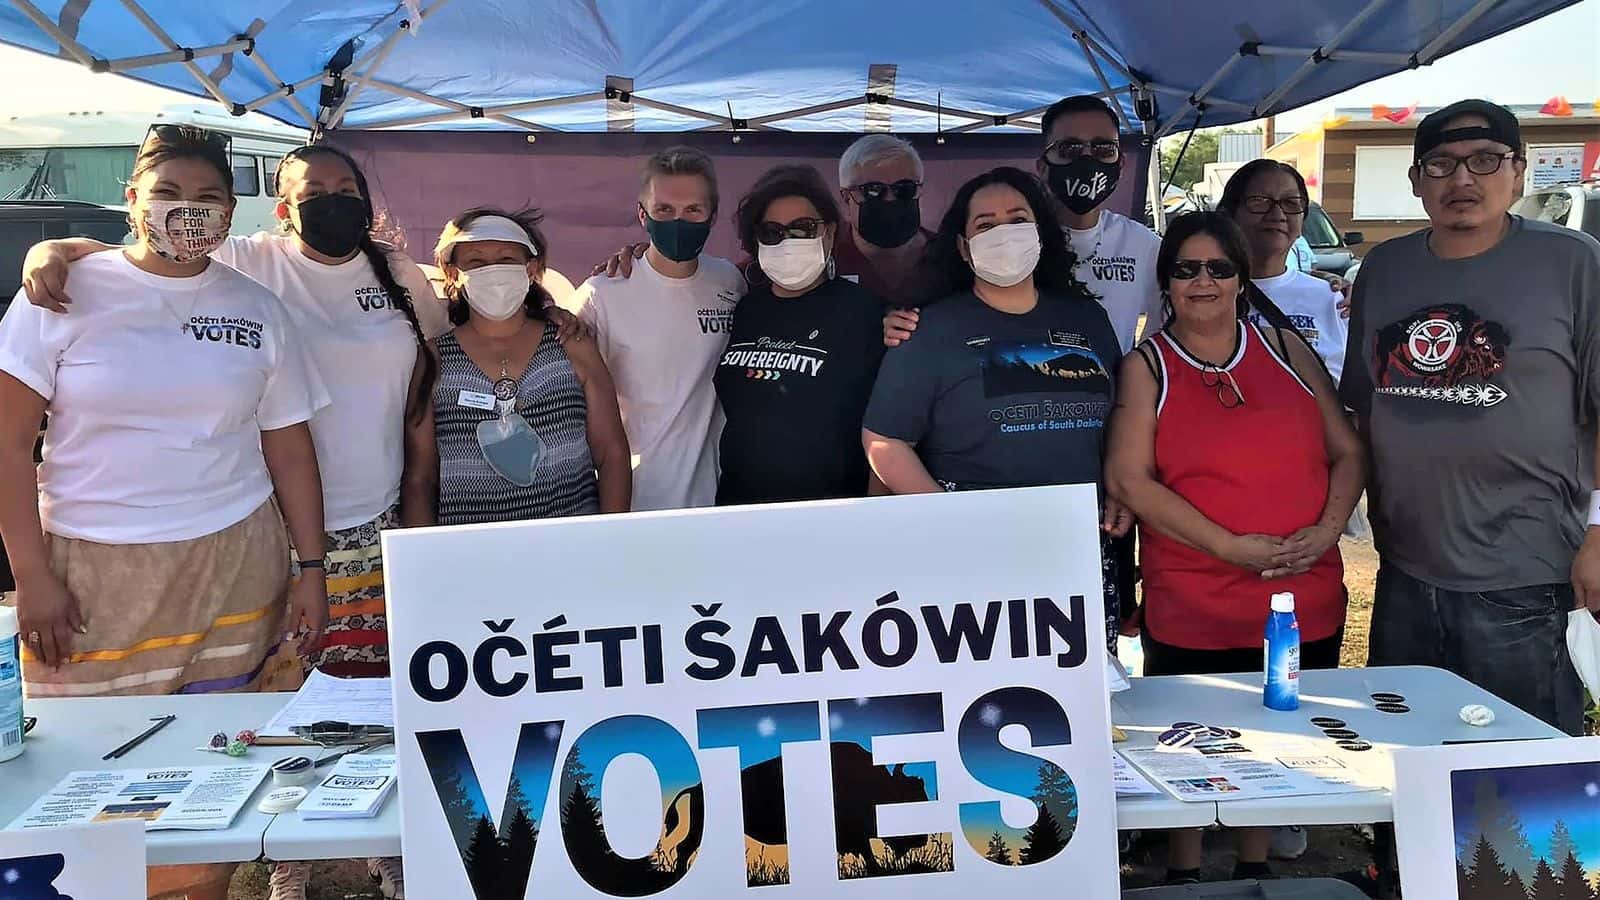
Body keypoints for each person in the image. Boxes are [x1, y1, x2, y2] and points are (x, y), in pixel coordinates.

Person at [0, 125, 329, 900]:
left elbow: (289, 450)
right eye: (170, 196)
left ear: (233, 210)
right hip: (95, 573)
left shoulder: (257, 307)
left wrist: (310, 568)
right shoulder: (60, 294)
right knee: (83, 781)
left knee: (207, 775)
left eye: (210, 199)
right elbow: (11, 446)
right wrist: (32, 575)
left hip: (235, 565)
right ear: (132, 202)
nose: (190, 213)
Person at [1105, 211, 1364, 882]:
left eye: (1219, 268)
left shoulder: (1284, 346)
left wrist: (1329, 529)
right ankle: (1186, 868)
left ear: (1242, 278)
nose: (1203, 281)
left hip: (1301, 593)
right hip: (1195, 597)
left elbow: (1346, 450)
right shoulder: (1148, 367)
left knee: (1277, 737)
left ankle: (1256, 862)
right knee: (1191, 740)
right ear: (1167, 283)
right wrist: (1229, 546)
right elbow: (1131, 478)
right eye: (1186, 269)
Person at [1340, 99, 1600, 736]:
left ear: (1519, 171)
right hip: (1404, 565)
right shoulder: (1385, 267)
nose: (1463, 180)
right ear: (1415, 180)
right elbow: (1362, 404)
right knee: (1404, 758)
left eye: (1485, 161)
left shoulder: (1574, 263)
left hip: (1525, 572)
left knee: (1516, 770)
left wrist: (1599, 532)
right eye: (1442, 165)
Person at [863, 167, 1129, 652]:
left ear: (1041, 233)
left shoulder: (1087, 318)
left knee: (1083, 700)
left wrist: (1121, 485)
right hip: (971, 551)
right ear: (964, 247)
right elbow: (884, 440)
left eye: (1017, 218)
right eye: (985, 225)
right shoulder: (929, 328)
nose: (1003, 233)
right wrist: (951, 519)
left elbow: (1121, 415)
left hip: (1075, 544)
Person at [886, 94, 1163, 353]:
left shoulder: (1144, 245)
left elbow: (1170, 331)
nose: (1087, 160)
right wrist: (902, 323)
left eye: (1103, 148)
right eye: (1069, 148)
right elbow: (940, 307)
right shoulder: (1005, 239)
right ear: (1042, 166)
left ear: (1121, 163)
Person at [406, 209, 630, 524]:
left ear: (532, 268)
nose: (493, 271)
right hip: (471, 555)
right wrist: (424, 562)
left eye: (507, 259)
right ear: (452, 272)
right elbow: (420, 478)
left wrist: (612, 540)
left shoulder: (572, 343)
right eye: (476, 262)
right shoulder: (433, 359)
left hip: (570, 548)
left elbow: (612, 452)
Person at [568, 147, 743, 511]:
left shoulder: (730, 281)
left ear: (712, 216)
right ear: (642, 215)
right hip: (633, 499)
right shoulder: (603, 293)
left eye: (692, 210)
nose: (678, 221)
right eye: (664, 210)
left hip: (716, 500)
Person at [714, 164, 885, 504]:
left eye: (803, 228)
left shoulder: (863, 311)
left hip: (829, 515)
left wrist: (875, 514)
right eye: (772, 232)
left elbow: (888, 428)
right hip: (738, 510)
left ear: (830, 233)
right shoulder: (746, 308)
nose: (788, 240)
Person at [1217, 159, 1348, 382]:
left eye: (1291, 203)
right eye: (1259, 201)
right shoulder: (1199, 294)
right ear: (1229, 213)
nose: (1277, 214)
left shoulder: (1334, 299)